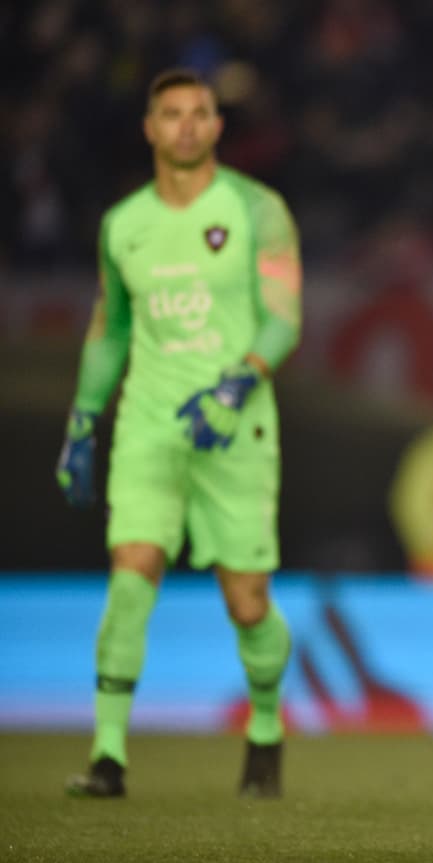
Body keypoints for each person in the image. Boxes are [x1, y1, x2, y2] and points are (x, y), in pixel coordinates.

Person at [56, 68, 302, 799]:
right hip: (149, 423)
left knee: (247, 600)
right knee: (131, 575)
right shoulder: (123, 225)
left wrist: (238, 380)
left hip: (238, 424)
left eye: (200, 114)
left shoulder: (259, 209)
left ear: (217, 126)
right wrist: (81, 418)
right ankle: (107, 757)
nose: (187, 126)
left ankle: (264, 727)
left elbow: (285, 315)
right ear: (150, 127)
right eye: (173, 114)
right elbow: (110, 328)